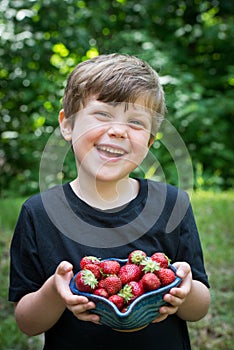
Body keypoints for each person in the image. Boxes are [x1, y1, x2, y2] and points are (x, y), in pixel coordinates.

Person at [9, 53, 210, 350]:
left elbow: (199, 308)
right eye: (102, 114)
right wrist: (54, 290)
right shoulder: (38, 213)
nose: (118, 130)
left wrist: (185, 289)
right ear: (67, 125)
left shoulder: (171, 204)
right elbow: (27, 323)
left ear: (150, 142)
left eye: (136, 122)